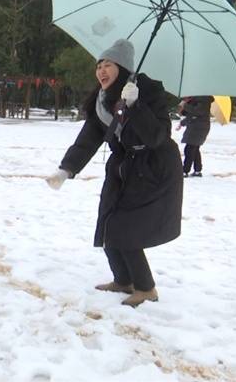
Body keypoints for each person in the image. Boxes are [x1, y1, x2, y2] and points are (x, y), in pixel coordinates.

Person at [45, 39, 183, 307]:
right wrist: (67, 169)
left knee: (126, 226)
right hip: (123, 165)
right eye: (99, 65)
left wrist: (136, 105)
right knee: (108, 220)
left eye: (108, 64)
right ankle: (123, 280)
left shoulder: (147, 92)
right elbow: (90, 137)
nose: (101, 70)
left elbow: (157, 136)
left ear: (122, 67)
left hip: (153, 166)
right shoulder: (102, 100)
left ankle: (146, 288)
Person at [176, 96, 214, 177]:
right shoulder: (197, 99)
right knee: (195, 149)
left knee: (189, 149)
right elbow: (191, 115)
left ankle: (185, 170)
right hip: (197, 127)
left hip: (199, 128)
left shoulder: (204, 99)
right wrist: (182, 123)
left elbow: (197, 112)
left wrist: (185, 105)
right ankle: (197, 170)